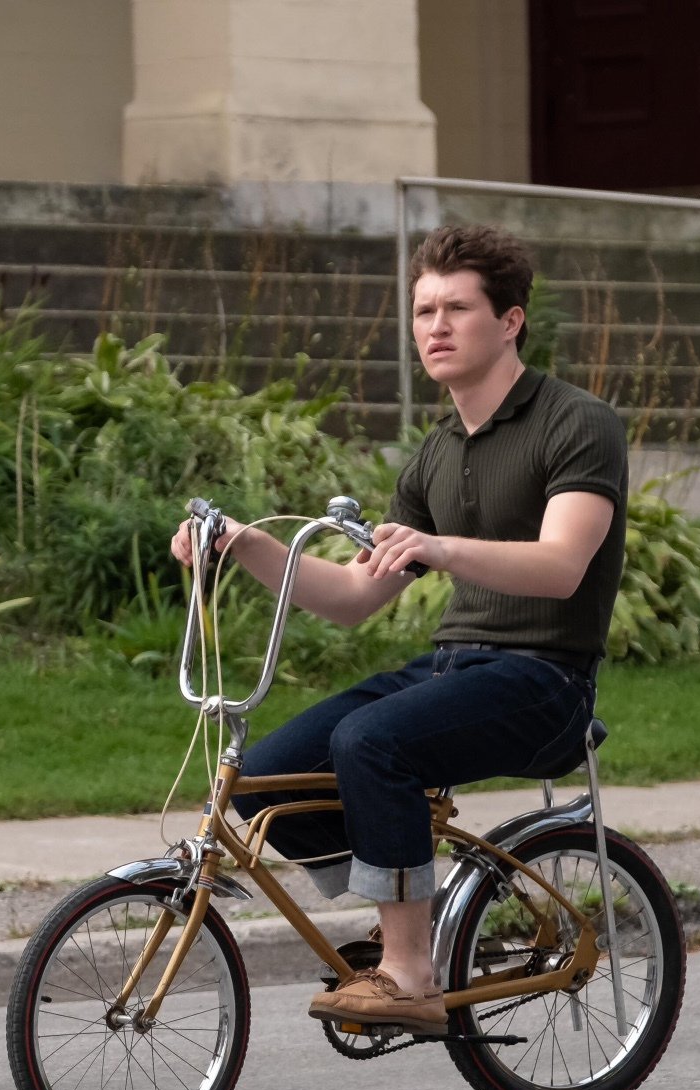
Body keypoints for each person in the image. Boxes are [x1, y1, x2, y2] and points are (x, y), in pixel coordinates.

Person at [170, 224, 627, 1034]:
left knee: (372, 742)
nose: (435, 327)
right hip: (457, 669)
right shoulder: (436, 451)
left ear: (510, 320)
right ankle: (407, 925)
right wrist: (244, 544)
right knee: (272, 775)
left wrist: (443, 547)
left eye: (457, 308)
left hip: (546, 678)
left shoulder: (576, 422)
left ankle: (408, 971)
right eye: (423, 311)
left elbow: (562, 567)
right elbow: (352, 597)